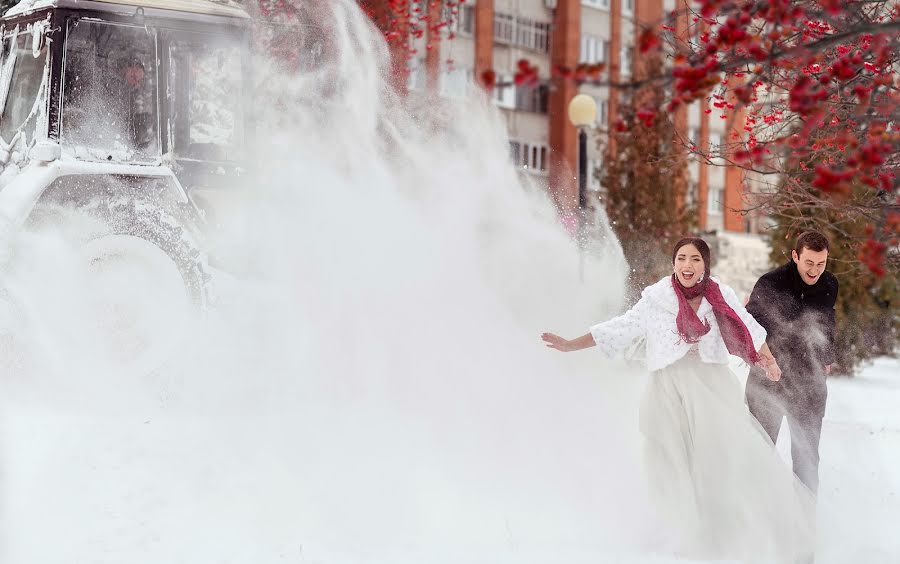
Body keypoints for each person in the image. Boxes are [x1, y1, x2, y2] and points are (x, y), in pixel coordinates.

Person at [541, 237, 815, 562]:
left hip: (710, 388)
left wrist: (768, 362)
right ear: (674, 263)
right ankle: (685, 531)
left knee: (715, 461)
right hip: (667, 390)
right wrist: (572, 344)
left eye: (695, 259)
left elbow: (750, 329)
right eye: (682, 258)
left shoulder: (720, 296)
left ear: (705, 265)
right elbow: (621, 327)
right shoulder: (656, 299)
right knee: (673, 463)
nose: (688, 265)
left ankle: (725, 530)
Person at [744, 230, 838, 494]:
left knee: (807, 462)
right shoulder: (770, 283)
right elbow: (748, 327)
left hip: (810, 386)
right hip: (768, 381)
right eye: (809, 262)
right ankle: (753, 521)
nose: (815, 270)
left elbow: (827, 323)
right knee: (758, 454)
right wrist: (762, 358)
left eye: (821, 263)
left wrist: (827, 358)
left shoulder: (830, 284)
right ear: (795, 256)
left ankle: (805, 525)